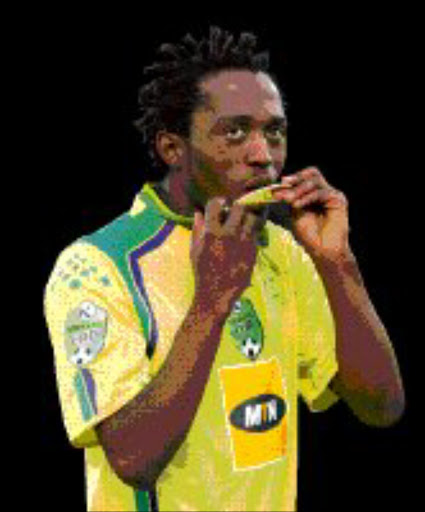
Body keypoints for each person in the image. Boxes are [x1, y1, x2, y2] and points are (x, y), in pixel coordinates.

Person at [44, 26, 405, 512]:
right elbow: (133, 458)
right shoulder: (98, 265)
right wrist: (213, 300)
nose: (263, 156)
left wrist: (337, 262)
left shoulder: (281, 250)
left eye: (274, 132)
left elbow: (381, 406)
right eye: (235, 132)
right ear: (173, 148)